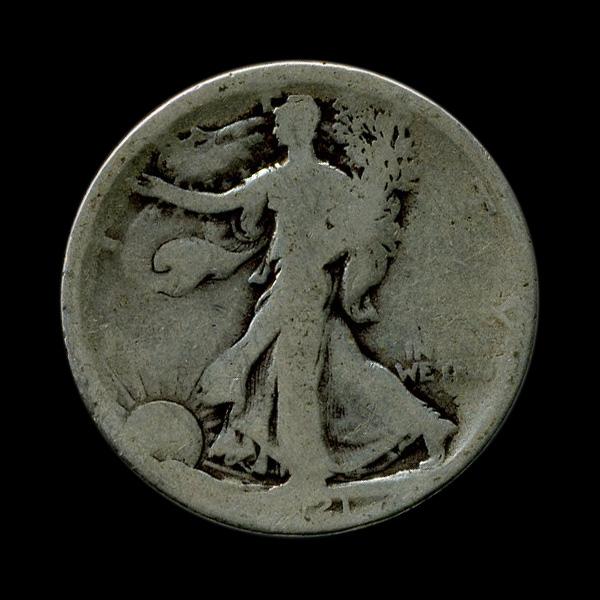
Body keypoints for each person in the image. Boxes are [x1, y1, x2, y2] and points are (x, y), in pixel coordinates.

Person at [134, 95, 456, 487]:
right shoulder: (321, 180)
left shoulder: (293, 180)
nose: (275, 127)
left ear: (299, 128)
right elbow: (221, 203)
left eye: (281, 121)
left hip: (301, 283)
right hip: (307, 282)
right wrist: (164, 191)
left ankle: (309, 473)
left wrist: (240, 355)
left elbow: (223, 205)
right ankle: (431, 425)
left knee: (294, 379)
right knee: (349, 370)